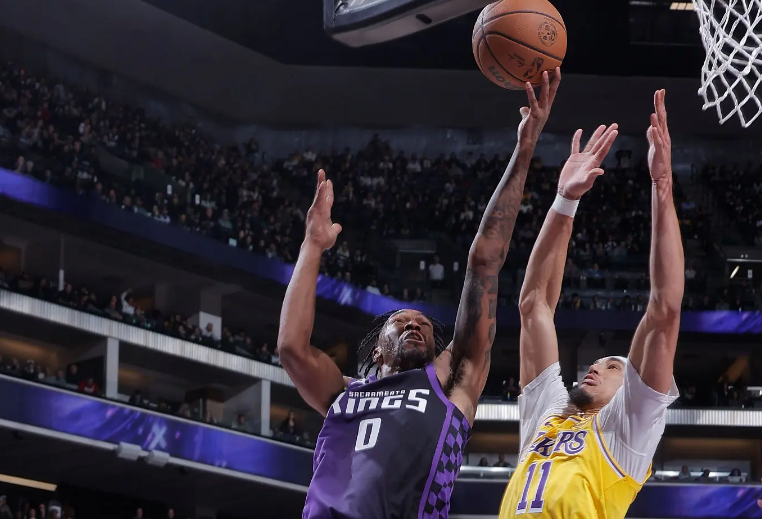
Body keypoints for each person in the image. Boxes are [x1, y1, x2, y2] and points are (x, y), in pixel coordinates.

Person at [278, 70, 562, 519]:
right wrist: (312, 246)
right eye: (401, 321)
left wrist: (524, 149)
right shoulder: (343, 393)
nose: (414, 324)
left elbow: (485, 261)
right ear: (376, 350)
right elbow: (292, 348)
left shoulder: (452, 381)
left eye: (425, 325)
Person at [497, 90, 682, 519]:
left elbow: (664, 309)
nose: (594, 368)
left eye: (612, 366)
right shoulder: (549, 413)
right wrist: (565, 200)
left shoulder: (627, 428)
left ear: (631, 389)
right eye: (598, 363)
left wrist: (662, 187)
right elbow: (534, 304)